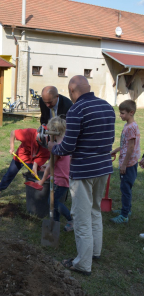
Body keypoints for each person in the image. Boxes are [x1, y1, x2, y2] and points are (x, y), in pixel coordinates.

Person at [49, 75, 115, 276]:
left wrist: (53, 146)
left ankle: (83, 263)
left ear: (72, 92)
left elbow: (68, 146)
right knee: (95, 210)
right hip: (103, 168)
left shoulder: (76, 109)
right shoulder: (107, 106)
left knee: (81, 216)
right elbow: (110, 138)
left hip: (84, 171)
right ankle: (95, 252)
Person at [0, 126, 49, 201]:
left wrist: (35, 167)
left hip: (33, 159)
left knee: (38, 173)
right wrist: (12, 147)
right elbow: (13, 133)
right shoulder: (29, 133)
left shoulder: (47, 144)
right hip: (21, 155)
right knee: (10, 173)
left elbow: (41, 157)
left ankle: (37, 194)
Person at [37, 116, 73, 232]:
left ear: (53, 131)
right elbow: (53, 163)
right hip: (60, 178)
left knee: (53, 202)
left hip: (61, 180)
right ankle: (55, 225)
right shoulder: (62, 143)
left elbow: (51, 165)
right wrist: (46, 165)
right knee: (54, 202)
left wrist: (42, 180)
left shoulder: (57, 147)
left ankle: (71, 220)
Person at [110, 100, 140, 223]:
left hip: (128, 164)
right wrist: (116, 150)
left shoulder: (131, 127)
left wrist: (123, 164)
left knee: (125, 189)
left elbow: (131, 148)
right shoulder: (128, 125)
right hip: (128, 162)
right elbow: (125, 145)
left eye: (122, 113)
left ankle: (124, 216)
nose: (120, 115)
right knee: (126, 188)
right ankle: (126, 209)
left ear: (131, 112)